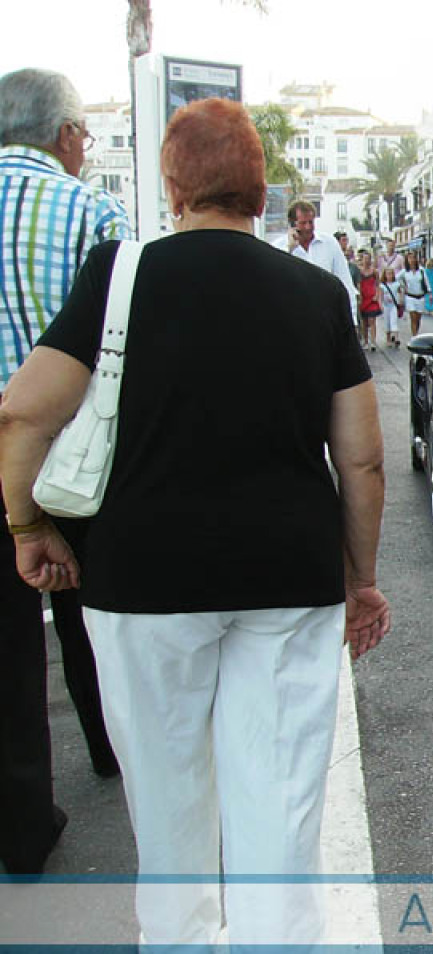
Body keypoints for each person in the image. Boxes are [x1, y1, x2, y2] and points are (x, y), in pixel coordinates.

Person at [0, 97, 390, 942]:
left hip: (140, 584)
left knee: (171, 819)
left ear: (173, 187)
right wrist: (361, 581)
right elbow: (360, 458)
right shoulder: (318, 292)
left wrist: (29, 528)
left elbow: (22, 415)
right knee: (280, 812)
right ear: (259, 191)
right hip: (289, 581)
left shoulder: (118, 273)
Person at [0, 66, 127, 876]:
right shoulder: (89, 209)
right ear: (68, 135)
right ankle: (113, 748)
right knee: (93, 609)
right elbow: (122, 347)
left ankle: (21, 827)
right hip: (73, 456)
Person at [274, 199, 358, 321]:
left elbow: (345, 282)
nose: (308, 227)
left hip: (326, 317)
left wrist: (352, 318)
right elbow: (276, 282)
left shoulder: (329, 243)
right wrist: (290, 249)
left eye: (311, 222)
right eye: (303, 223)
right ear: (292, 224)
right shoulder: (278, 248)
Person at [399, 250, 428, 336]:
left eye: (413, 258)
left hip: (420, 297)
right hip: (410, 297)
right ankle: (414, 336)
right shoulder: (405, 272)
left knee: (418, 319)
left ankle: (416, 333)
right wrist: (403, 286)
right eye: (410, 258)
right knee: (413, 318)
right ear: (407, 260)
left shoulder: (422, 270)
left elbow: (426, 282)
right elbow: (396, 278)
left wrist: (429, 294)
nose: (412, 260)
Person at [357, 250, 381, 350]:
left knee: (372, 320)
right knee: (364, 322)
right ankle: (365, 341)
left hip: (372, 298)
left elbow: (378, 284)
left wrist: (377, 295)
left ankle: (373, 342)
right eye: (365, 259)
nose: (366, 261)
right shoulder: (359, 271)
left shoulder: (374, 271)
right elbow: (358, 283)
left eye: (368, 259)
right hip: (363, 297)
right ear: (362, 260)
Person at [380, 266, 403, 348]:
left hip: (394, 305)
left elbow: (400, 293)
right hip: (386, 306)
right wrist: (380, 305)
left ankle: (396, 338)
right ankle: (388, 339)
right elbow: (381, 295)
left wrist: (400, 301)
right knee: (387, 322)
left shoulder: (397, 284)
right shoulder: (382, 285)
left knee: (394, 321)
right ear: (385, 275)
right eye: (388, 274)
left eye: (391, 274)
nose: (390, 276)